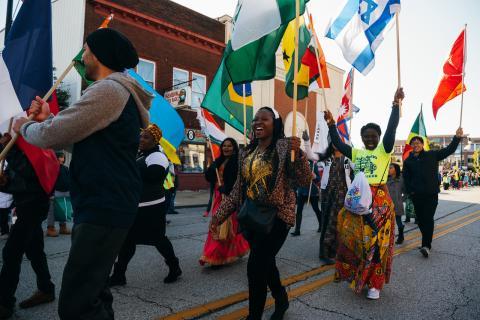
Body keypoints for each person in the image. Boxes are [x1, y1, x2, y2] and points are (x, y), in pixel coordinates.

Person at [13, 28, 151, 319]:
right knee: (94, 291)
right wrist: (48, 119)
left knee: (76, 304)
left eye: (86, 50)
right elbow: (78, 137)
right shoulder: (112, 92)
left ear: (98, 54)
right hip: (104, 203)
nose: (83, 56)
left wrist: (24, 127)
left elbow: (53, 136)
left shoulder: (108, 90)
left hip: (104, 205)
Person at [211, 107, 310, 320]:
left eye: (264, 118)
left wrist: (299, 155)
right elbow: (238, 188)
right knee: (267, 263)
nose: (258, 122)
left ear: (275, 122)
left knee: (256, 267)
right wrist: (219, 214)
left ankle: (253, 316)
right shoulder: (246, 152)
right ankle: (281, 300)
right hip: (252, 218)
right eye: (255, 119)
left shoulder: (285, 147)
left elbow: (304, 180)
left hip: (277, 218)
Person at [325, 87, 403, 300]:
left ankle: (375, 284)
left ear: (378, 138)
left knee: (378, 243)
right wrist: (332, 124)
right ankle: (358, 275)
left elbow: (391, 130)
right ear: (362, 138)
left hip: (379, 202)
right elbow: (339, 143)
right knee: (356, 240)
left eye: (373, 136)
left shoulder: (383, 150)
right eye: (366, 136)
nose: (370, 139)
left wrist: (395, 105)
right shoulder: (356, 153)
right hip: (359, 199)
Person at [109, 124, 182, 285]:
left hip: (152, 207)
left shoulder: (158, 156)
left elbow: (154, 176)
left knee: (159, 240)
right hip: (136, 205)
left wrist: (129, 170)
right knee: (127, 241)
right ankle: (119, 275)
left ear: (155, 140)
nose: (141, 139)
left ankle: (174, 267)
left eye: (146, 137)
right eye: (141, 136)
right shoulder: (139, 155)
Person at [0, 134, 55, 319]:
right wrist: (5, 181)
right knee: (34, 250)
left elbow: (34, 172)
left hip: (33, 205)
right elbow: (20, 180)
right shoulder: (18, 146)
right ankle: (46, 288)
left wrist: (11, 149)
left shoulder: (35, 141)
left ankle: (4, 302)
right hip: (25, 204)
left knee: (11, 252)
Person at [403, 130, 462, 258]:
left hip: (431, 194)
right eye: (413, 143)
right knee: (420, 220)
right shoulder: (408, 161)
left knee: (428, 219)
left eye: (418, 143)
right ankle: (426, 240)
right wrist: (410, 192)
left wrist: (456, 138)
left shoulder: (432, 155)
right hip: (416, 195)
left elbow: (449, 150)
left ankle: (426, 245)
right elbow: (406, 179)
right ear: (411, 146)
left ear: (422, 145)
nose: (416, 145)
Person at [303, 135, 353, 264]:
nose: (335, 144)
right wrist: (307, 141)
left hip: (343, 195)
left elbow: (359, 171)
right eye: (333, 142)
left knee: (340, 223)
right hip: (328, 195)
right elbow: (311, 156)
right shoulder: (327, 157)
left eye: (337, 141)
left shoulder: (348, 158)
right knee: (328, 223)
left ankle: (337, 251)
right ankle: (324, 253)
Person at [200, 138, 249, 266]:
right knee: (217, 225)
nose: (226, 148)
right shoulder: (219, 160)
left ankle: (217, 256)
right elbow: (208, 176)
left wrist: (226, 189)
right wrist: (212, 167)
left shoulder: (237, 162)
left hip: (229, 198)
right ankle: (216, 254)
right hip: (218, 196)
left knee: (225, 227)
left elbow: (238, 182)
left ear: (234, 148)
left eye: (229, 146)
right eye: (224, 146)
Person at [290, 160, 322, 237]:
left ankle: (321, 225)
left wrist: (314, 176)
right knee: (299, 210)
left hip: (312, 192)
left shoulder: (313, 164)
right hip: (301, 190)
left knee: (316, 209)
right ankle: (297, 230)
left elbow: (318, 179)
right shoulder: (298, 164)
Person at [46, 151, 71, 237]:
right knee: (52, 210)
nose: (62, 159)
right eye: (60, 157)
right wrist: (50, 193)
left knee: (63, 209)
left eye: (63, 157)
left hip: (66, 191)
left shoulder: (65, 168)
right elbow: (50, 181)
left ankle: (63, 227)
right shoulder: (52, 167)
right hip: (56, 191)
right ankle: (50, 228)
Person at [387, 163, 405, 244]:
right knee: (388, 223)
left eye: (391, 168)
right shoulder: (386, 179)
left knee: (398, 221)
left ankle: (401, 236)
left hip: (397, 204)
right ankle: (388, 238)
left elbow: (406, 191)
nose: (389, 170)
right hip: (387, 204)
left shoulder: (401, 179)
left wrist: (401, 199)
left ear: (396, 169)